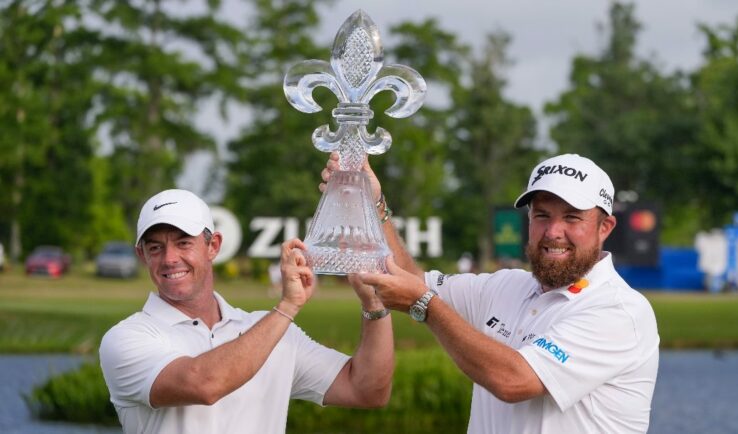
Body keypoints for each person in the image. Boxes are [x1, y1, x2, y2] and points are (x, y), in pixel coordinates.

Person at [322, 153, 659, 433]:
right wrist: (372, 204)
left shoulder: (619, 311)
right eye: (542, 215)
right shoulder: (506, 286)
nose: (554, 232)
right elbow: (405, 279)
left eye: (572, 218)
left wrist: (425, 305)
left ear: (605, 228)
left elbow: (515, 381)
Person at [99, 189, 394, 434]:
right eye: (155, 248)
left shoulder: (274, 332)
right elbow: (204, 383)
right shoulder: (126, 338)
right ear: (142, 255)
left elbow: (366, 390)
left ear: (212, 246)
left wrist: (375, 305)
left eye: (183, 243)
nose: (169, 258)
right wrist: (287, 307)